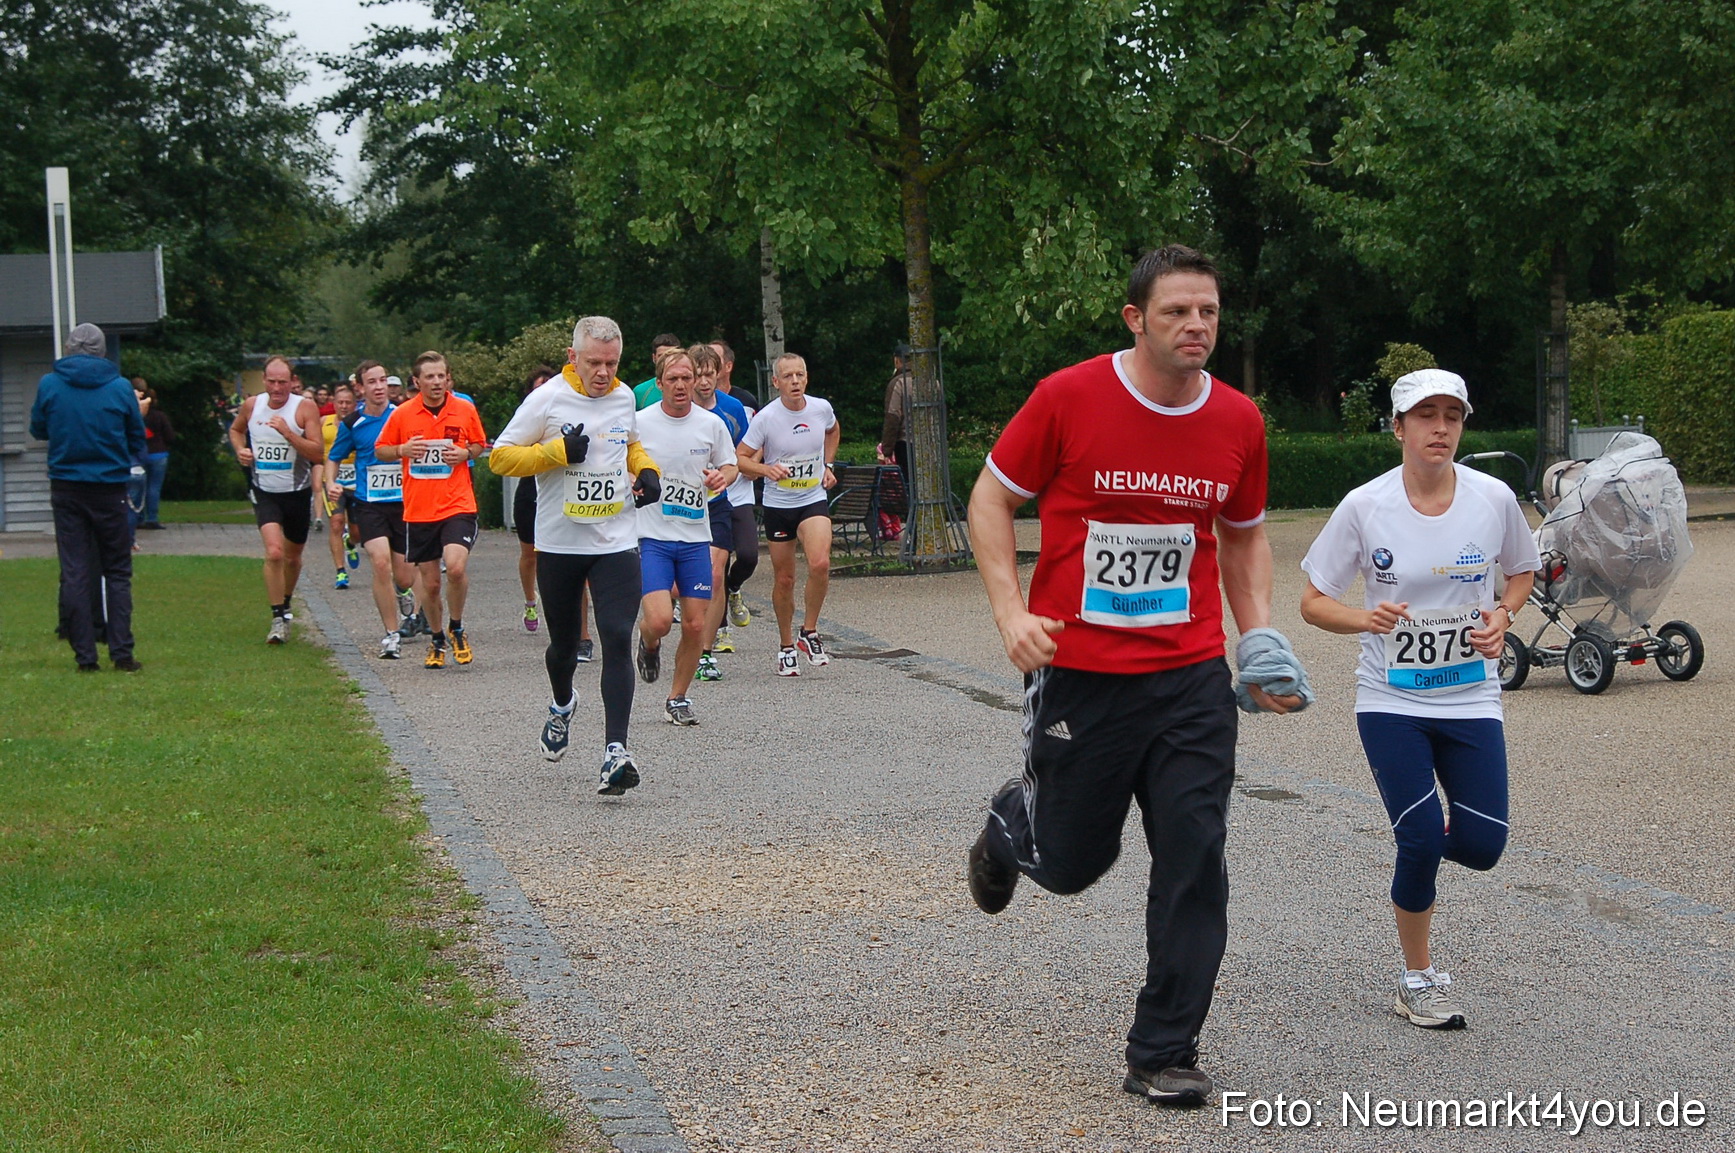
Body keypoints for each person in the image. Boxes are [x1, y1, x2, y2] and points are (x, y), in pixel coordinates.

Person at [963, 245, 1309, 1108]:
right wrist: (1011, 612)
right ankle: (1016, 820)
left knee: (1195, 853)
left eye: (1208, 313)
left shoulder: (1237, 420)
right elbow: (989, 500)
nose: (1196, 327)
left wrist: (1256, 635)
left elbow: (1241, 531)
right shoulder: (1068, 397)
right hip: (1081, 673)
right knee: (1075, 863)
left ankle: (1164, 1048)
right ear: (1134, 319)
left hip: (1190, 677)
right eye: (1176, 313)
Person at [1299, 369, 1539, 1030]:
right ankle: (1416, 977)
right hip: (1390, 700)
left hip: (1469, 699)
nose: (1439, 428)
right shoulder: (1364, 506)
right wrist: (1364, 619)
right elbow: (1312, 601)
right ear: (1398, 426)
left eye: (1451, 416)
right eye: (1424, 415)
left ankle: (1419, 851)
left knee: (1484, 844)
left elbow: (1520, 572)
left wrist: (1503, 615)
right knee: (1417, 836)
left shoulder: (1491, 499)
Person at [489, 316, 662, 793]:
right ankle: (563, 704)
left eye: (611, 363)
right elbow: (500, 457)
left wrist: (645, 468)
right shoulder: (546, 399)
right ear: (574, 358)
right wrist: (555, 452)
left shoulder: (625, 397)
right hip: (561, 545)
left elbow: (631, 445)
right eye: (594, 363)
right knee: (563, 648)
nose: (603, 373)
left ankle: (615, 753)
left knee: (614, 633)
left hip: (616, 540)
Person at [31, 323, 146, 672]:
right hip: (110, 487)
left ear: (68, 348)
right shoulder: (119, 387)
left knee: (76, 570)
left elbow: (38, 428)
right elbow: (136, 437)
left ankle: (85, 657)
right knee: (117, 571)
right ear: (102, 351)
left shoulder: (50, 383)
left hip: (66, 485)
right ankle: (122, 652)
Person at [632, 347, 737, 723]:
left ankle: (678, 697)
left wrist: (722, 476)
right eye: (672, 379)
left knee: (694, 623)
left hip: (695, 536)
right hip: (652, 535)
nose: (680, 386)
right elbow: (622, 461)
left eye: (686, 378)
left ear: (696, 381)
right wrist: (632, 480)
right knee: (660, 620)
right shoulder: (640, 422)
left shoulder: (711, 424)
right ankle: (648, 642)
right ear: (659, 383)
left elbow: (730, 463)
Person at [375, 352, 488, 668]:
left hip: (458, 504)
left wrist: (465, 453)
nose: (436, 382)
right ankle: (437, 639)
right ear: (417, 382)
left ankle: (457, 627)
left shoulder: (464, 409)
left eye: (441, 376)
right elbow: (381, 450)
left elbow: (480, 445)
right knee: (431, 583)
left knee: (454, 568)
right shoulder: (403, 414)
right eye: (429, 377)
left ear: (448, 378)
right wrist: (402, 450)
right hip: (420, 510)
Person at [737, 353, 838, 676]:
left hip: (812, 497)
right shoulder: (766, 418)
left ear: (807, 378)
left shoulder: (820, 408)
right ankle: (785, 646)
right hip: (779, 504)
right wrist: (766, 469)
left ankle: (808, 632)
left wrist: (828, 464)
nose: (795, 381)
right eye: (788, 376)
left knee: (820, 563)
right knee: (785, 579)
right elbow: (740, 458)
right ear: (776, 382)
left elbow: (833, 432)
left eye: (800, 375)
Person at [229, 355, 326, 644]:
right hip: (264, 491)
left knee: (292, 557)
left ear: (292, 382)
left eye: (282, 382)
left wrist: (288, 434)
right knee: (273, 552)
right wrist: (240, 450)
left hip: (296, 493)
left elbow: (317, 453)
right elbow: (236, 430)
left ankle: (285, 602)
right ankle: (277, 617)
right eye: (271, 381)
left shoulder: (304, 408)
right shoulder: (252, 405)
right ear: (264, 380)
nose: (276, 388)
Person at [328, 361, 421, 659]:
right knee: (380, 563)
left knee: (405, 575)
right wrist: (330, 482)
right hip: (369, 503)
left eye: (383, 380)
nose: (379, 387)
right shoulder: (353, 422)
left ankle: (404, 592)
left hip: (404, 504)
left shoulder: (404, 414)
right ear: (361, 387)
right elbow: (334, 456)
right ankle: (391, 634)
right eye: (372, 382)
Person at [689, 343, 752, 679]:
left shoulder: (732, 409)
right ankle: (657, 631)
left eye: (708, 374)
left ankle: (706, 652)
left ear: (720, 373)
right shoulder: (670, 408)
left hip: (716, 503)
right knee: (673, 588)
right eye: (696, 375)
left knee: (715, 575)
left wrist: (725, 475)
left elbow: (740, 457)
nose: (702, 382)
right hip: (677, 507)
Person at [319, 383, 362, 589]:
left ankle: (351, 544)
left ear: (355, 404)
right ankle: (340, 572)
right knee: (336, 522)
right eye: (340, 402)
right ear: (333, 403)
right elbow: (317, 450)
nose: (344, 406)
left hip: (356, 483)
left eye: (348, 403)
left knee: (357, 532)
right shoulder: (324, 423)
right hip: (333, 483)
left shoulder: (360, 424)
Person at [134, 379, 174, 530]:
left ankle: (138, 517)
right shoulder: (159, 416)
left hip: (140, 454)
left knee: (138, 486)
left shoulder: (136, 417)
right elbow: (170, 436)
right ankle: (152, 517)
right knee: (154, 487)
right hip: (158, 454)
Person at [632, 333, 683, 409]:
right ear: (654, 358)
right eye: (661, 356)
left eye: (671, 355)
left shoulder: (689, 390)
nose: (666, 360)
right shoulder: (640, 392)